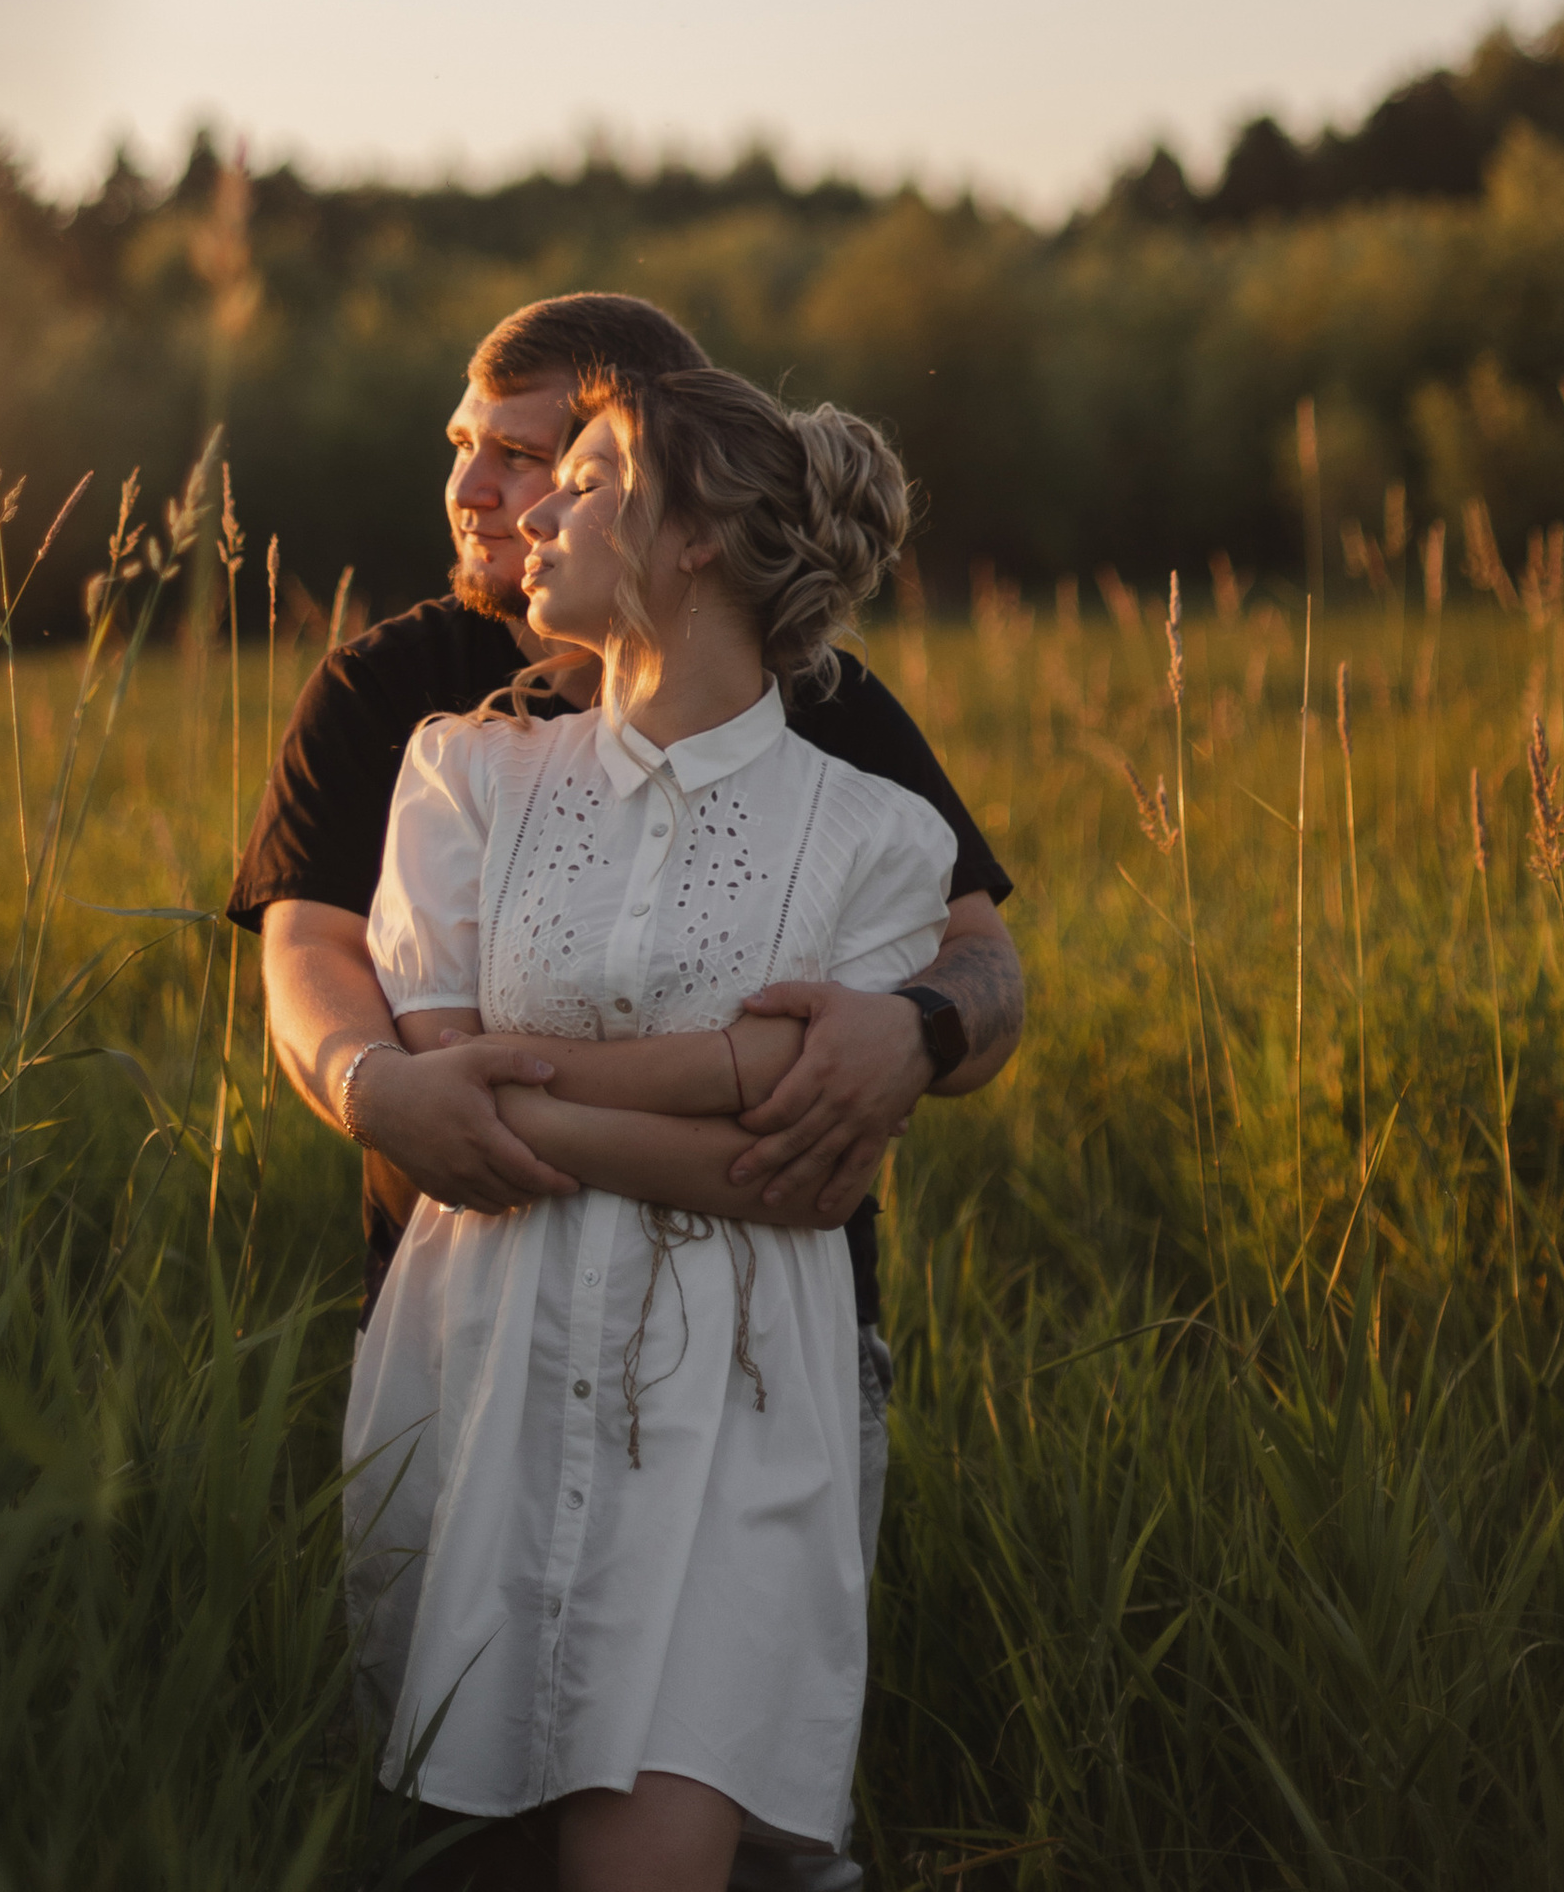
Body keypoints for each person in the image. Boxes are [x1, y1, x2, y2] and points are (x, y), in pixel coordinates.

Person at [229, 291, 1023, 1887]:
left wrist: (913, 1036)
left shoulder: (829, 717)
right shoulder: (413, 710)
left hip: (747, 1360)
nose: (481, 492)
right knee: (461, 1823)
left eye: (537, 459)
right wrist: (384, 1089)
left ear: (692, 500)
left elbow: (975, 962)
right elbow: (311, 958)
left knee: (705, 1807)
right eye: (464, 446)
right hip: (477, 1324)